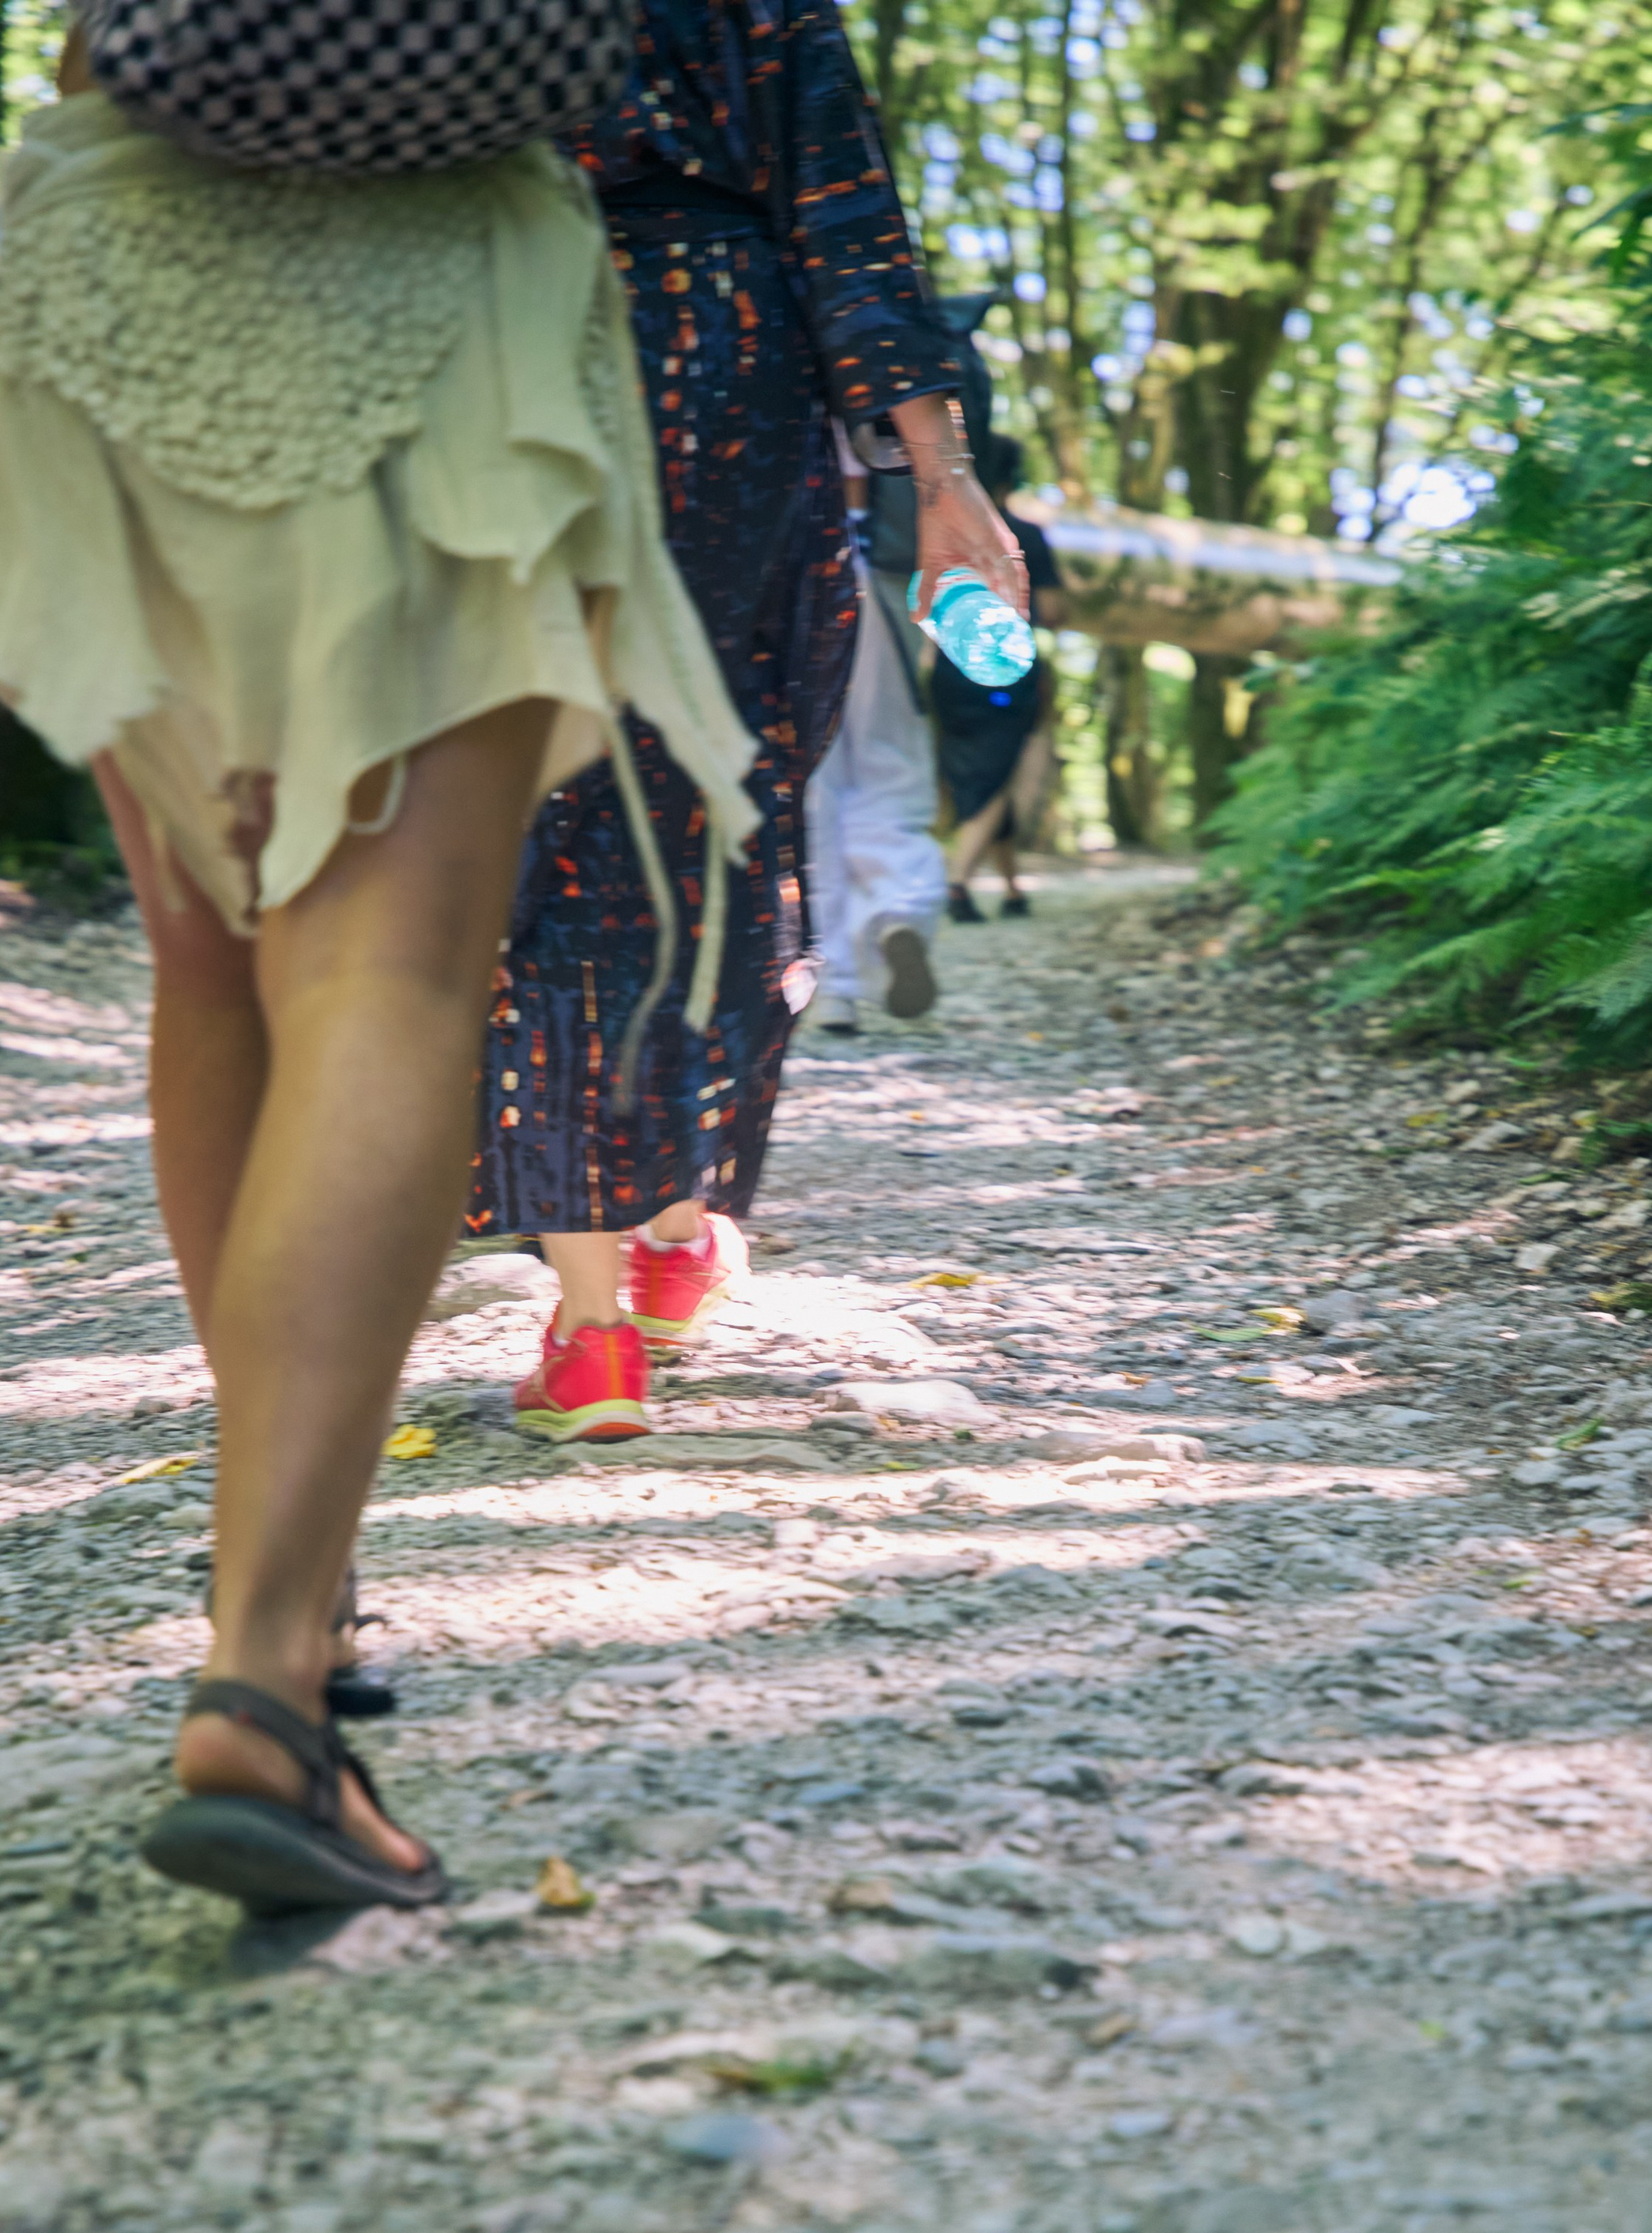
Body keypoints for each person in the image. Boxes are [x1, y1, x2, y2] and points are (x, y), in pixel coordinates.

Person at [0, 24, 755, 1914]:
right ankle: (263, 1672)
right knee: (381, 974)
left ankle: (287, 1624)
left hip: (116, 247)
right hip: (435, 269)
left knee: (216, 966)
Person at [466, 0, 1020, 1441]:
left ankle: (594, 1333)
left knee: (542, 811)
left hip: (502, 360)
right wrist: (943, 476)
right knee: (723, 804)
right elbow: (848, 225)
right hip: (735, 371)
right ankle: (671, 1222)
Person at [803, 439, 946, 1038]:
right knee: (891, 763)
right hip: (886, 564)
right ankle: (899, 908)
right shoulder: (876, 345)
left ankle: (830, 985)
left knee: (813, 787)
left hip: (799, 575)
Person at [937, 434, 1064, 922]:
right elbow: (1052, 609)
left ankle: (1013, 890)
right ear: (1013, 476)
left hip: (949, 673)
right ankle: (957, 883)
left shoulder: (944, 533)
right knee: (997, 777)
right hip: (1005, 670)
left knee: (982, 774)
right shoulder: (1026, 536)